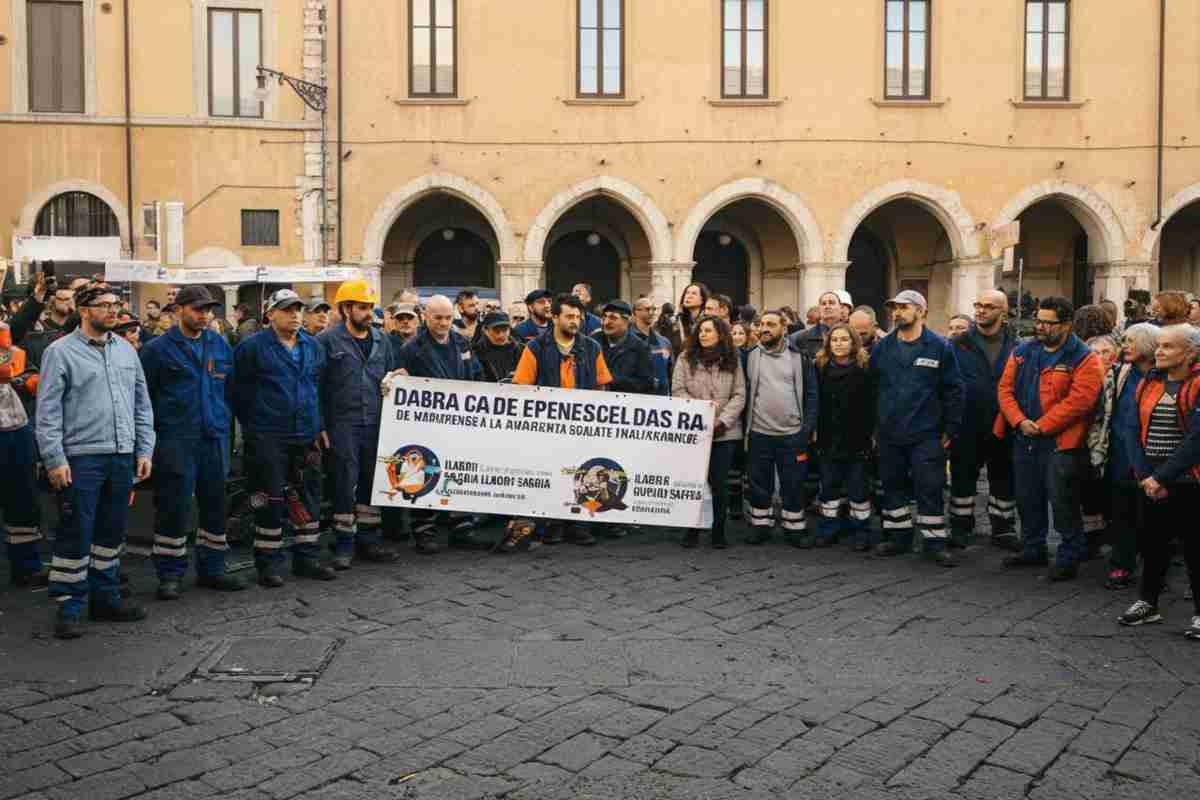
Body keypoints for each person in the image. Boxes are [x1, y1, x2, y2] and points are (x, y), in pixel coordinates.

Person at [36, 285, 155, 638]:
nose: (113, 310)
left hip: (121, 456)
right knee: (76, 532)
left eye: (116, 304)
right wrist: (54, 458)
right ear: (84, 310)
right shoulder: (60, 352)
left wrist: (144, 450)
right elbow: (47, 412)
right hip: (81, 457)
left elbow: (142, 404)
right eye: (104, 305)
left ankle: (105, 599)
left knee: (111, 532)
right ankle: (69, 607)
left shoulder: (126, 351)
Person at [138, 286, 245, 600]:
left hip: (214, 438)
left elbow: (230, 391)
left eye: (208, 310)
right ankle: (170, 574)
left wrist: (225, 427)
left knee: (215, 505)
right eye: (198, 309)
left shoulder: (219, 344)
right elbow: (144, 399)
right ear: (179, 310)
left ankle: (213, 569)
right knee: (174, 506)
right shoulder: (157, 350)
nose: (205, 315)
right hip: (176, 439)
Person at [230, 289, 335, 587]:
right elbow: (237, 392)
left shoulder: (312, 346)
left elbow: (318, 389)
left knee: (309, 498)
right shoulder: (252, 348)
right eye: (287, 309)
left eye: (298, 309)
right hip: (268, 437)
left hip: (306, 435)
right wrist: (255, 428)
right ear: (270, 314)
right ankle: (268, 564)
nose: (294, 315)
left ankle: (307, 558)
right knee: (269, 500)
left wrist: (319, 425)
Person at [997, 296, 1105, 580]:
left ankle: (1069, 556)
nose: (1040, 327)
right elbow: (1005, 389)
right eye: (1039, 320)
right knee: (1027, 497)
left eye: (1048, 322)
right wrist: (1019, 421)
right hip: (1025, 438)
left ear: (1067, 325)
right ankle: (1033, 547)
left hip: (1061, 444)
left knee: (1063, 502)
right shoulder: (1023, 350)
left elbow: (1080, 401)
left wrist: (1042, 426)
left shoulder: (1084, 357)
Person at [1117, 324, 1200, 636]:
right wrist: (1145, 475)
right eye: (1159, 345)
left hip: (1190, 480)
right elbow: (1131, 428)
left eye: (1168, 346)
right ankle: (1147, 603)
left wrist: (1162, 477)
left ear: (1190, 353)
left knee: (1195, 548)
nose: (1159, 352)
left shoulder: (1197, 384)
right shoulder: (1149, 382)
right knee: (1152, 543)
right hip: (1151, 479)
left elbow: (1196, 440)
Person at [871, 290, 964, 566]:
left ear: (921, 311)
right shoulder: (884, 347)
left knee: (930, 487)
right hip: (889, 433)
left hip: (926, 433)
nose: (897, 313)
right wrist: (874, 427)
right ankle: (898, 538)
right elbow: (871, 387)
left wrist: (951, 428)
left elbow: (954, 390)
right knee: (892, 486)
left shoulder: (939, 346)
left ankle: (934, 543)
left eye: (904, 307)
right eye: (894, 308)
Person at [389, 295, 488, 553]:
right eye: (438, 318)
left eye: (447, 317)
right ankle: (424, 532)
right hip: (425, 425)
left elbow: (476, 375)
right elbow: (400, 382)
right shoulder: (411, 348)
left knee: (459, 473)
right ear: (425, 316)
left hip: (461, 422)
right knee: (423, 473)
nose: (444, 323)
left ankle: (462, 529)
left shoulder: (461, 342)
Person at [513, 293, 613, 546]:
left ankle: (579, 525)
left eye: (578, 317)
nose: (575, 321)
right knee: (552, 473)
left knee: (583, 474)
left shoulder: (592, 347)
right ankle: (553, 525)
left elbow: (602, 386)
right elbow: (522, 388)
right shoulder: (535, 347)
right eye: (569, 316)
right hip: (547, 428)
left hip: (583, 427)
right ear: (555, 317)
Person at [317, 280, 401, 571]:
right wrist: (320, 425)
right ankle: (343, 543)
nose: (368, 313)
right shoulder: (327, 341)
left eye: (370, 307)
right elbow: (316, 386)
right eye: (362, 308)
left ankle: (369, 539)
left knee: (372, 480)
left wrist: (397, 378)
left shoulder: (381, 339)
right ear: (345, 309)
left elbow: (391, 374)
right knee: (343, 482)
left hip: (375, 421)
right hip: (342, 423)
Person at [948, 290, 1018, 550]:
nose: (980, 310)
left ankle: (1003, 528)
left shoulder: (1017, 346)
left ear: (1003, 312)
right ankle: (960, 526)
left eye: (988, 306)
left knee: (1004, 477)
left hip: (1004, 424)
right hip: (966, 424)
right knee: (962, 477)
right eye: (978, 305)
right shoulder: (957, 344)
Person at [1091, 323, 1159, 589]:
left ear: (1147, 345)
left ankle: (1155, 569)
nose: (1124, 346)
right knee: (1122, 511)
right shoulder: (1121, 373)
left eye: (1131, 341)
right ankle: (1121, 564)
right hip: (1121, 454)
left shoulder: (1163, 375)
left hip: (1152, 456)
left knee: (1153, 516)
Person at [743, 309, 819, 546]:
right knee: (759, 483)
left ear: (784, 329)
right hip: (759, 432)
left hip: (792, 434)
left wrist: (806, 429)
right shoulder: (750, 356)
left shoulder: (799, 357)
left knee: (793, 484)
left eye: (771, 324)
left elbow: (812, 394)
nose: (765, 329)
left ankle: (794, 529)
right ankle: (760, 526)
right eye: (762, 324)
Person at [672, 315, 745, 549]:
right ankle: (692, 528)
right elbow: (678, 390)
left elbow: (739, 394)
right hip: (694, 430)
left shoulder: (733, 358)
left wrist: (722, 421)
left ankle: (718, 530)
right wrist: (701, 412)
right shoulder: (685, 358)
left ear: (720, 334)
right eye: (700, 330)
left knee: (719, 483)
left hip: (725, 433)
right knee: (695, 482)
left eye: (708, 330)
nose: (703, 334)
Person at [813, 324, 877, 550]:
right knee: (829, 489)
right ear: (828, 344)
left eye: (844, 339)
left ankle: (861, 532)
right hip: (828, 438)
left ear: (853, 343)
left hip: (857, 439)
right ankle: (828, 529)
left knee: (858, 490)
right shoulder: (819, 369)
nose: (839, 344)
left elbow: (872, 404)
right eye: (835, 340)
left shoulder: (865, 369)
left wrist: (872, 435)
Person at [0, 321, 47, 588]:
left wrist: (26, 381)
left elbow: (21, 368)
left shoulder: (5, 333)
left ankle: (27, 567)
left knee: (24, 500)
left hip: (16, 426)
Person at [596, 300, 654, 395]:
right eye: (604, 317)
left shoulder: (639, 347)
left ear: (627, 321)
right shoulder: (592, 343)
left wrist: (613, 381)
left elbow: (646, 383)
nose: (606, 322)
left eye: (613, 318)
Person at [632, 295, 672, 397]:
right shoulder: (626, 339)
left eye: (654, 309)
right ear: (635, 312)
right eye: (647, 309)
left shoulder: (664, 342)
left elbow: (670, 373)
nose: (651, 312)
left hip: (660, 398)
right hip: (633, 398)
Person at [473, 310, 524, 383]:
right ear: (485, 330)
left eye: (505, 330)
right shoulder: (477, 352)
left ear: (510, 329)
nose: (501, 335)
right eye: (496, 330)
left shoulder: (521, 350)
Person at [789, 290, 844, 359]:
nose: (827, 306)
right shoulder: (799, 338)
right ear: (819, 309)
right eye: (823, 304)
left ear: (841, 307)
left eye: (831, 303)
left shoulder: (852, 335)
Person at [670, 282, 709, 357]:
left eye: (694, 293)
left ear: (702, 300)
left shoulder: (708, 321)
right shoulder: (675, 321)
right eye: (687, 293)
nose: (688, 296)